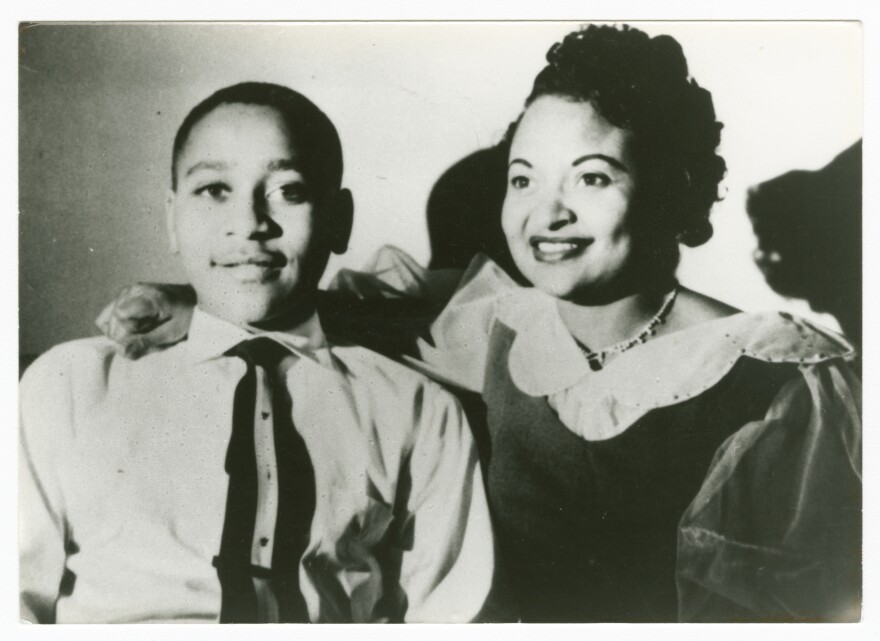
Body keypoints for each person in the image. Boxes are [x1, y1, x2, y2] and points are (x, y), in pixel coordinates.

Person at [96, 26, 862, 623]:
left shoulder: (775, 374)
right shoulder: (495, 320)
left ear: (670, 188)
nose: (546, 212)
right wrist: (193, 298)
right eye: (523, 179)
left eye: (591, 177)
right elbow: (324, 309)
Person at [19, 82, 494, 624]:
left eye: (289, 191)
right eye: (214, 189)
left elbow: (449, 615)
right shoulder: (68, 385)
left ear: (339, 220)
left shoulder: (418, 410)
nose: (249, 223)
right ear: (171, 217)